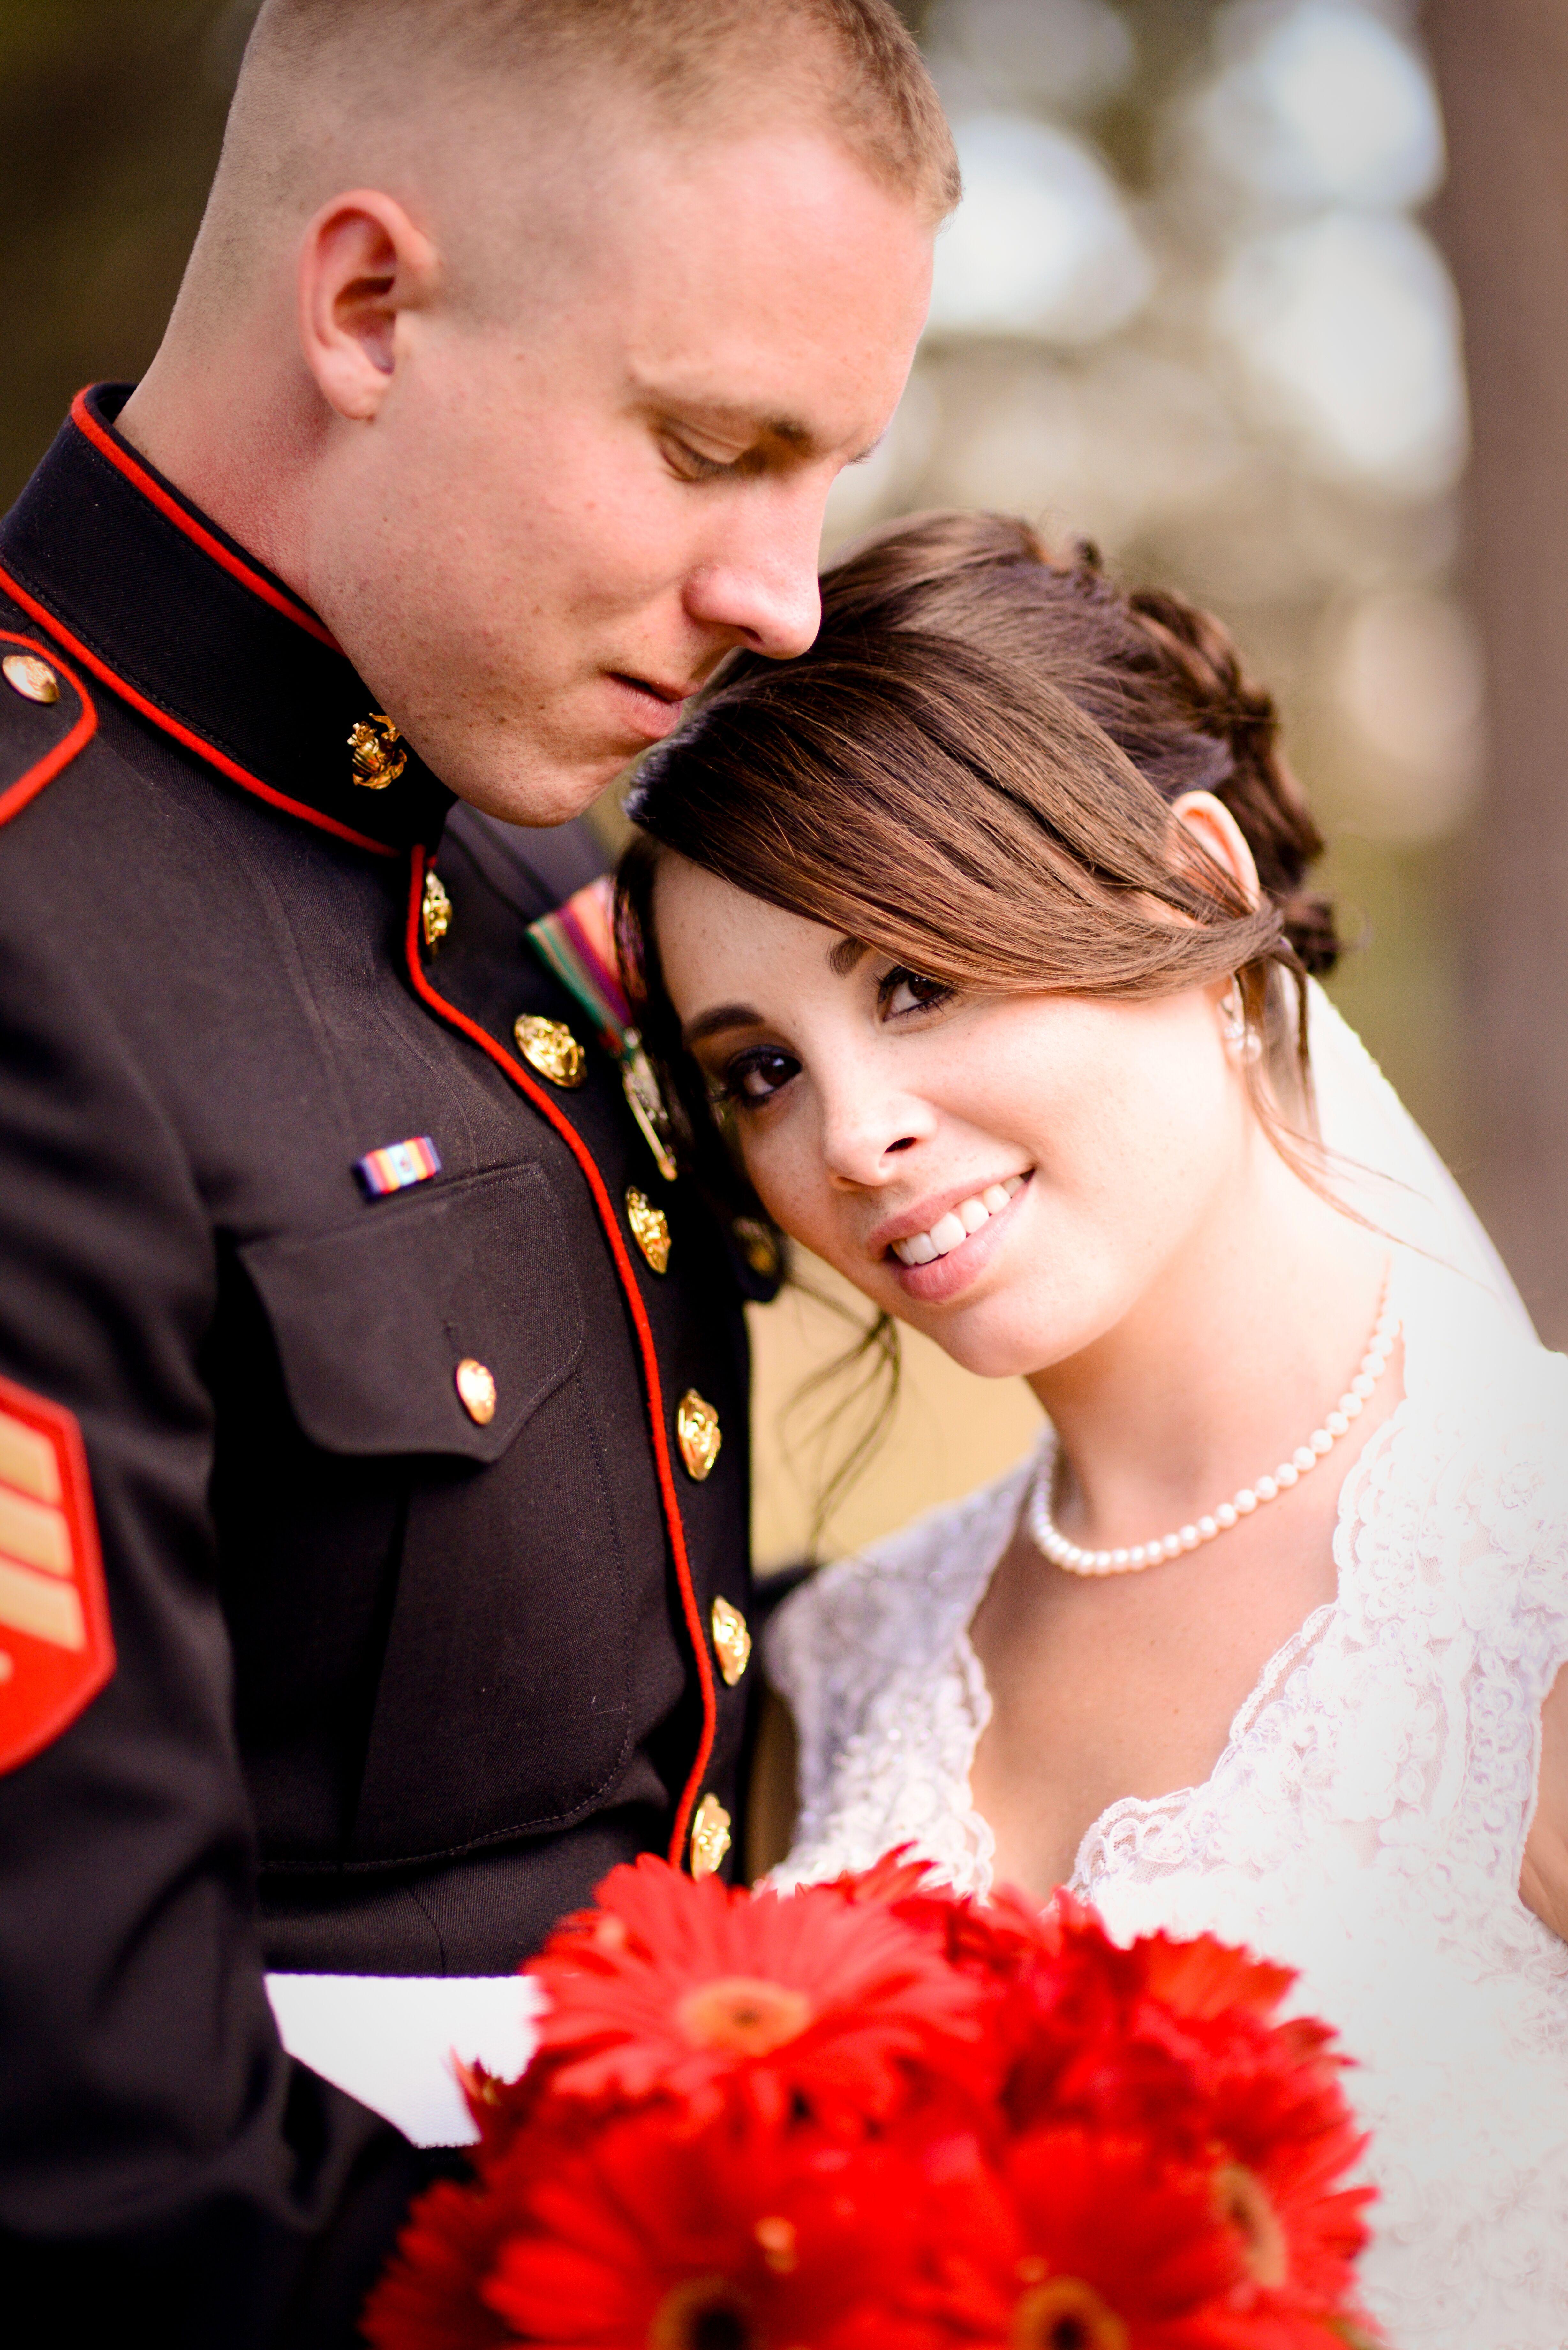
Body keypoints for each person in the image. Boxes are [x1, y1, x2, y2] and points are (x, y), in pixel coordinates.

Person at [0, 3, 953, 2339]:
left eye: (823, 477)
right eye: (713, 446)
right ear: (368, 308)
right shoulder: (36, 919)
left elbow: (580, 1678)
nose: (785, 594)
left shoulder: (511, 875)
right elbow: (93, 2138)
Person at [618, 509, 1568, 2345]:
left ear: (1186, 884)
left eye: (916, 978)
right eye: (762, 1070)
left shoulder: (1535, 1578)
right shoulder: (842, 1659)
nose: (854, 1134)